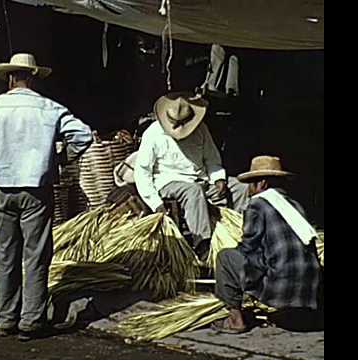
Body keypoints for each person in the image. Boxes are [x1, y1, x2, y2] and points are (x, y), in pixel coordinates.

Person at [0, 53, 93, 341]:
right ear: (33, 77)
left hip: (3, 188)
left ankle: (7, 317)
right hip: (36, 189)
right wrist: (58, 160)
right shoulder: (49, 107)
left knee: (5, 255)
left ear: (9, 78)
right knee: (36, 256)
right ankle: (31, 320)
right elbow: (82, 136)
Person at [211, 155, 322, 334]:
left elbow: (248, 247)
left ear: (261, 183)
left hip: (281, 290)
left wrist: (236, 276)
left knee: (225, 258)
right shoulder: (296, 206)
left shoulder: (258, 205)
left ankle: (235, 320)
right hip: (309, 292)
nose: (248, 190)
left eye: (251, 184)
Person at [133, 92, 248, 261]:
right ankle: (203, 247)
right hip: (169, 182)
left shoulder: (201, 130)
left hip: (201, 180)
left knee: (241, 188)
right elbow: (142, 172)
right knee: (193, 192)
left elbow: (212, 158)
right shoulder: (153, 134)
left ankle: (242, 234)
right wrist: (155, 202)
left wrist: (218, 178)